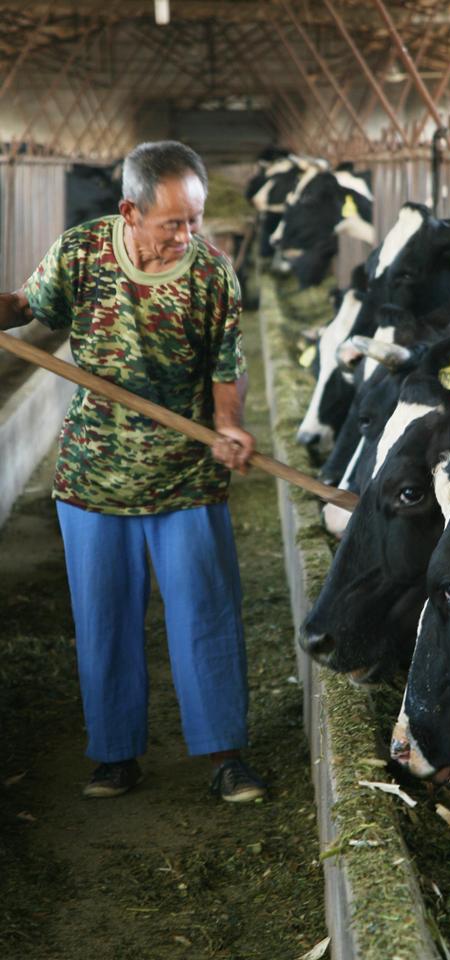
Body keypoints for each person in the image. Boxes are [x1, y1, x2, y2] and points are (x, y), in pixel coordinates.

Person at [0, 140, 266, 803]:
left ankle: (226, 757)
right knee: (103, 618)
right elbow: (27, 308)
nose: (187, 236)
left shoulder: (212, 275)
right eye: (171, 223)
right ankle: (114, 756)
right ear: (129, 210)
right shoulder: (82, 252)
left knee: (206, 614)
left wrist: (227, 425)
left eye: (195, 219)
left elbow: (224, 366)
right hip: (93, 477)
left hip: (184, 477)